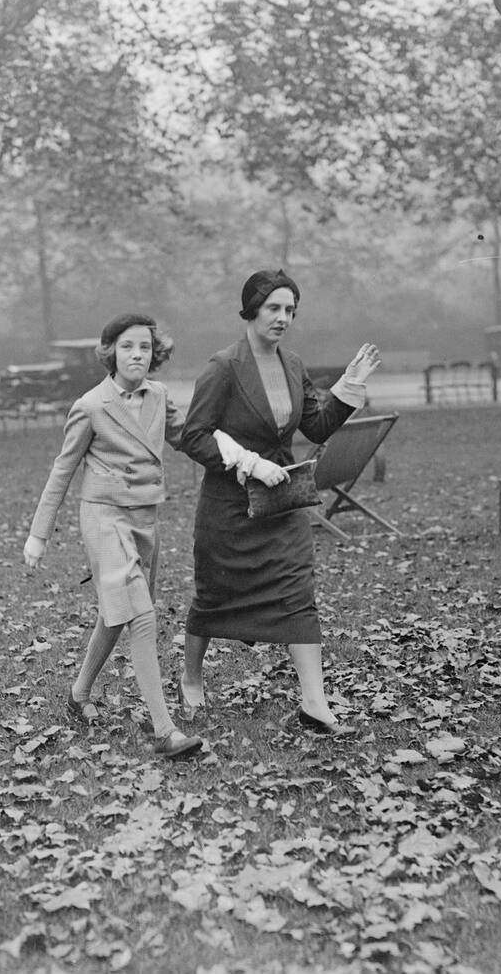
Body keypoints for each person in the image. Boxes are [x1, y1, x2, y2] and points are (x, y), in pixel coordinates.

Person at [177, 268, 381, 737]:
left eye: (290, 310)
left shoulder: (293, 365)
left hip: (282, 506)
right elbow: (193, 436)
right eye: (274, 308)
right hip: (229, 509)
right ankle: (191, 676)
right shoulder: (222, 367)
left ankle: (315, 702)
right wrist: (245, 462)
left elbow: (317, 427)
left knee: (297, 593)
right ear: (251, 309)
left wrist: (349, 385)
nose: (283, 318)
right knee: (212, 598)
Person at [23, 314, 202, 760]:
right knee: (139, 614)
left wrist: (240, 461)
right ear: (111, 353)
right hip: (104, 519)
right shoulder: (91, 405)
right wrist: (38, 535)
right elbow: (62, 470)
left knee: (117, 611)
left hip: (145, 519)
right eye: (127, 346)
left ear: (154, 353)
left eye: (145, 347)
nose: (137, 354)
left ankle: (78, 692)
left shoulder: (159, 396)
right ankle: (164, 731)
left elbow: (189, 439)